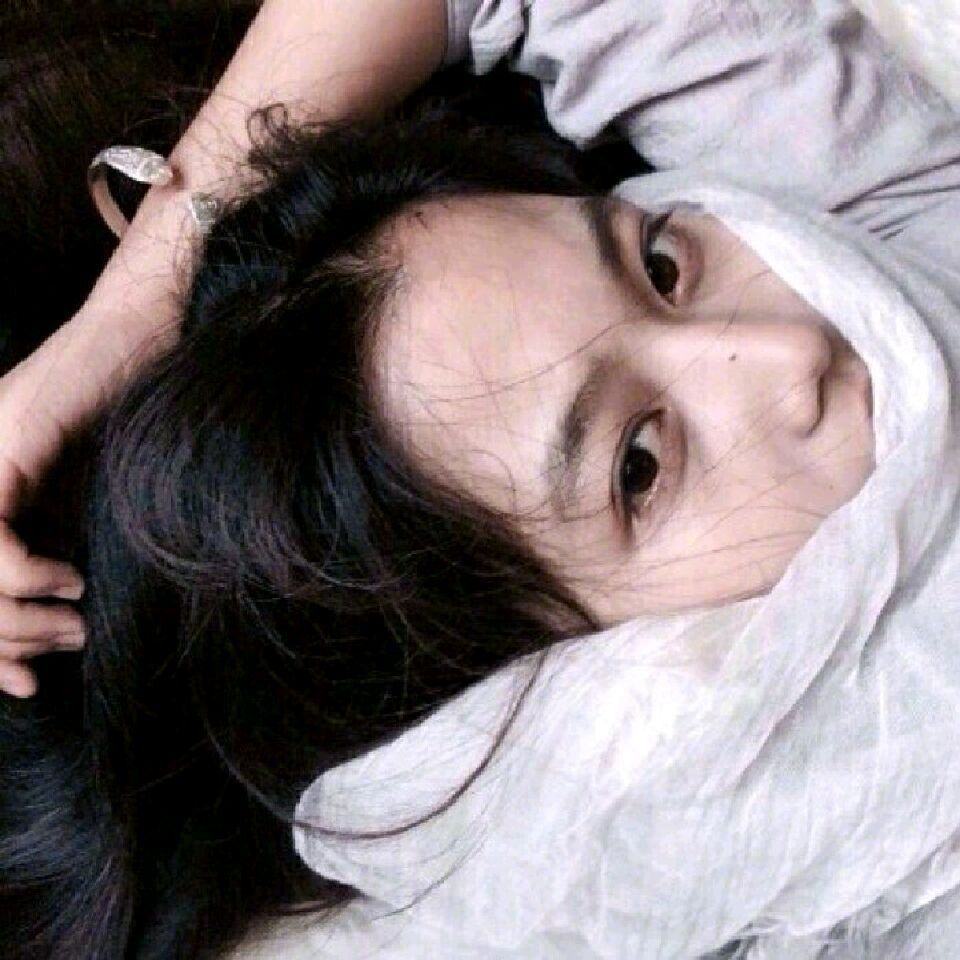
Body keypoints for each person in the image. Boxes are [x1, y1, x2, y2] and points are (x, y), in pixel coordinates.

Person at [0, 2, 956, 959]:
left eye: (662, 266)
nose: (792, 349)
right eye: (639, 467)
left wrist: (123, 317)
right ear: (534, 702)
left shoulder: (890, 219)